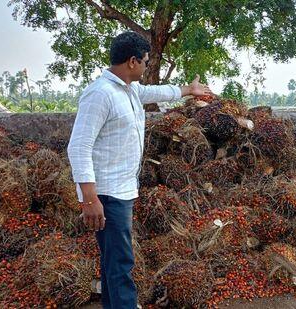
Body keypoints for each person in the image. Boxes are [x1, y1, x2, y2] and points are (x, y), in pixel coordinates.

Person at [67, 31, 212, 308]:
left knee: (113, 261)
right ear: (132, 61)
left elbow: (159, 91)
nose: (147, 67)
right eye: (145, 61)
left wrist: (188, 90)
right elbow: (78, 147)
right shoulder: (100, 94)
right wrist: (89, 198)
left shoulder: (130, 89)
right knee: (121, 263)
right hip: (107, 195)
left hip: (121, 189)